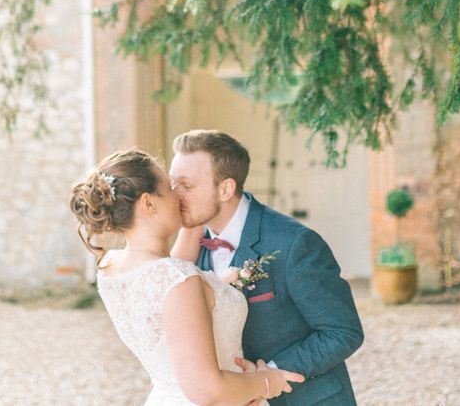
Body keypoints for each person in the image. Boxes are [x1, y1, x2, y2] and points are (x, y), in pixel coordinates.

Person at [69, 149, 305, 406]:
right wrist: (268, 382)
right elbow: (207, 391)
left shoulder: (110, 267)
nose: (178, 195)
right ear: (148, 203)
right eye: (170, 187)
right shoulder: (177, 280)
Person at [169, 130, 364, 406]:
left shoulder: (295, 243)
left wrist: (268, 375)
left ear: (225, 189)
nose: (175, 196)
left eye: (186, 186)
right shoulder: (192, 246)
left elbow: (343, 331)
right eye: (172, 184)